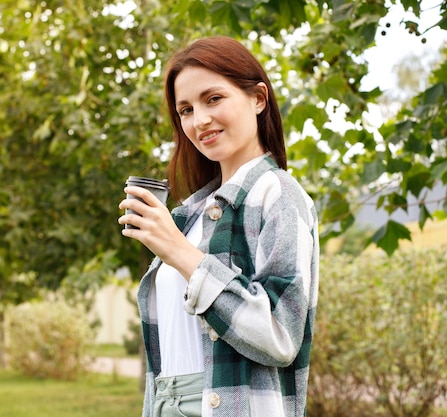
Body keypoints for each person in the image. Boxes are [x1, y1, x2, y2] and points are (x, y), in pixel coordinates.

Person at [118, 36, 320, 417]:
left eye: (213, 99)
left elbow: (280, 334)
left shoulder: (278, 195)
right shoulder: (192, 214)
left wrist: (179, 253)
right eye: (186, 110)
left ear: (258, 98)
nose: (200, 120)